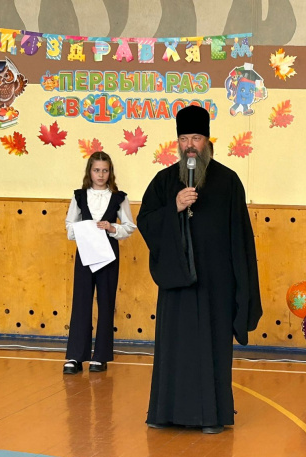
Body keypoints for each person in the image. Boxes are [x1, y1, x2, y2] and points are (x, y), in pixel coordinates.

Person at [137, 105, 262, 434]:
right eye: (183, 139)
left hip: (216, 284)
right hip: (177, 283)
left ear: (207, 141)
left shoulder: (228, 181)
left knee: (212, 348)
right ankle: (165, 413)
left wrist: (242, 289)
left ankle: (211, 416)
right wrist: (174, 208)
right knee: (175, 348)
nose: (189, 145)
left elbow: (241, 238)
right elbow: (146, 222)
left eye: (195, 138)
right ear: (177, 143)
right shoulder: (164, 181)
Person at [63, 151, 137, 374]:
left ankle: (101, 356)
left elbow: (129, 227)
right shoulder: (79, 196)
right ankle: (75, 356)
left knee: (106, 302)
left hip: (108, 255)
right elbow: (69, 226)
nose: (101, 175)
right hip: (85, 254)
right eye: (97, 170)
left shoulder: (119, 197)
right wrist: (83, 229)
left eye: (105, 170)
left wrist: (112, 228)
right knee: (81, 302)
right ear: (90, 172)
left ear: (110, 172)